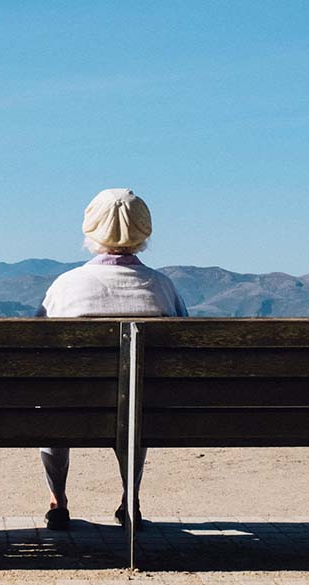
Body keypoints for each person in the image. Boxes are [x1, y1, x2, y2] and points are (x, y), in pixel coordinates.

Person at [37, 188, 188, 531]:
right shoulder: (163, 288)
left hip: (72, 410)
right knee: (135, 404)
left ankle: (58, 501)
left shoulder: (66, 287)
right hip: (144, 411)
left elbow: (37, 351)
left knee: (51, 405)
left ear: (90, 231)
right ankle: (129, 498)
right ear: (144, 232)